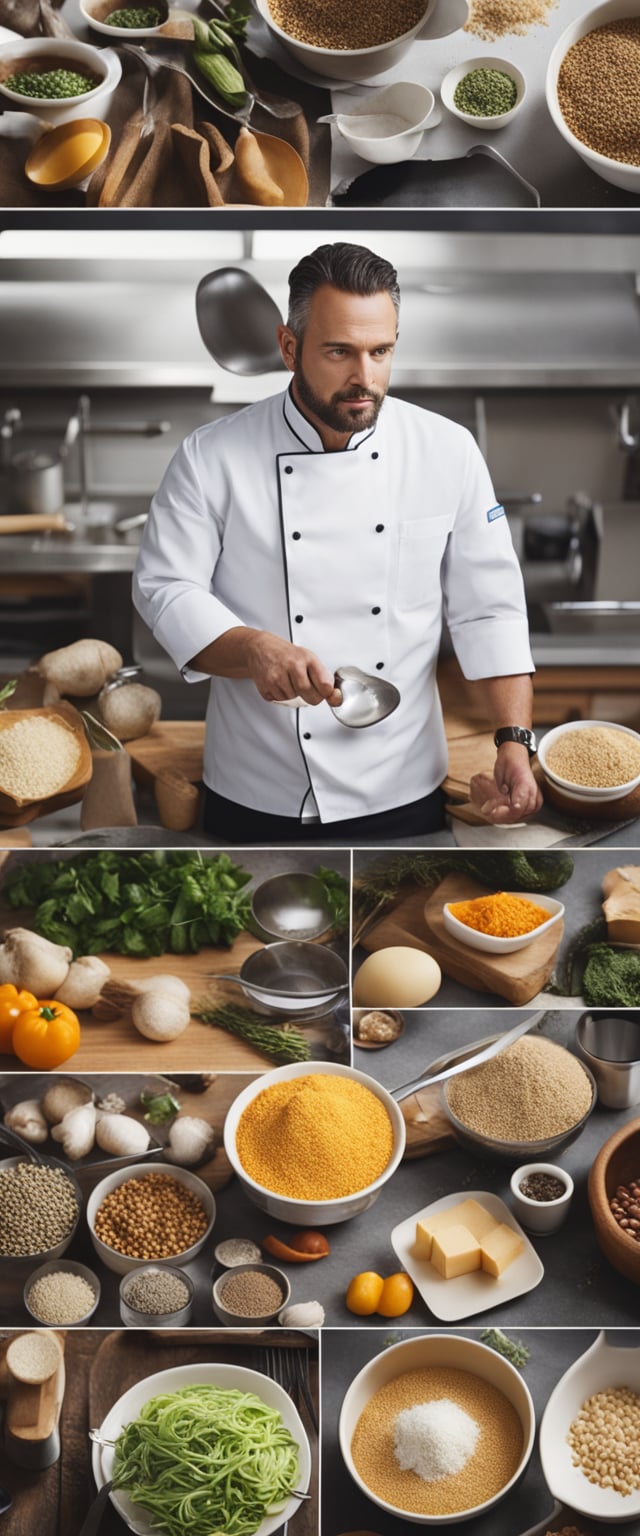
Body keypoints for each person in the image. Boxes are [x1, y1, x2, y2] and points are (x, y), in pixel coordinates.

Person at [134, 241, 542, 843]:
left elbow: (490, 609)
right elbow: (165, 587)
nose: (365, 377)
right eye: (340, 352)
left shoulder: (446, 451)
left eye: (381, 351)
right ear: (289, 347)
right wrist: (253, 649)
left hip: (401, 785)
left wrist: (513, 740)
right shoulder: (211, 456)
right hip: (255, 787)